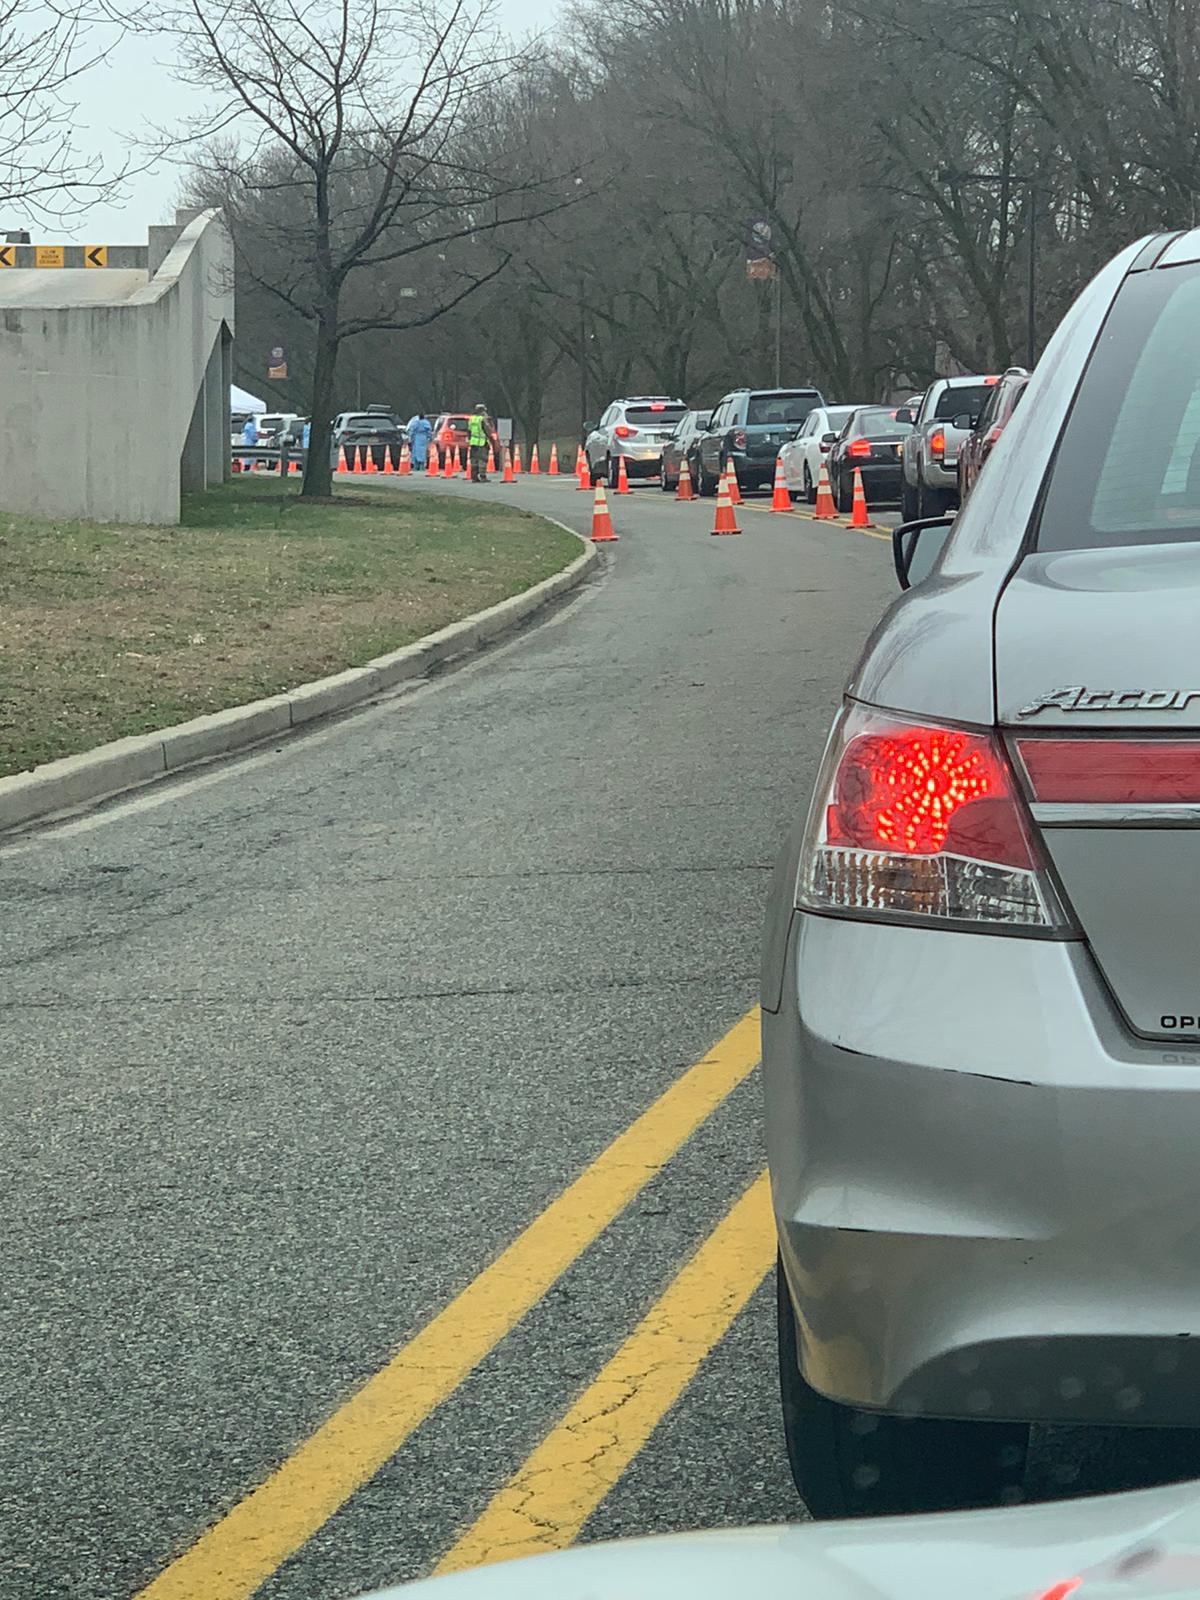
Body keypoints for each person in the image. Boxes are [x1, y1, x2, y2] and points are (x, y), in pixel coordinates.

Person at [466, 403, 498, 482]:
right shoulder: (482, 419)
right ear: (482, 411)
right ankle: (483, 476)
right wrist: (492, 440)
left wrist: (469, 440)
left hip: (473, 443)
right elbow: (487, 430)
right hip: (482, 442)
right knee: (483, 459)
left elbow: (469, 430)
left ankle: (474, 477)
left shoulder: (472, 419)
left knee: (474, 460)